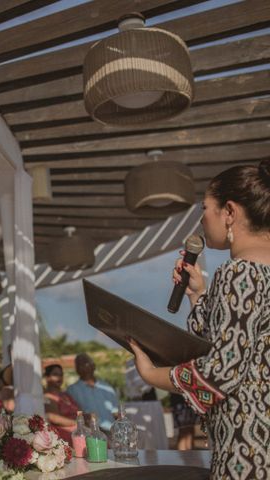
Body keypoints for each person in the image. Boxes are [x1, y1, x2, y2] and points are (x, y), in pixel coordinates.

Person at [129, 159, 270, 479]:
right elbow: (239, 347)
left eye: (205, 208)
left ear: (230, 212)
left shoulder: (239, 272)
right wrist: (199, 296)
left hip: (248, 454)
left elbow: (219, 372)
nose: (202, 219)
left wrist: (152, 374)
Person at [65, 353, 118, 432]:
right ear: (76, 369)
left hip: (112, 431)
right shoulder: (71, 390)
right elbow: (72, 415)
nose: (83, 367)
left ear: (93, 366)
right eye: (79, 365)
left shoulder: (107, 387)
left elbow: (116, 413)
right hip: (89, 433)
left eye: (86, 363)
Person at [43, 364, 79, 444]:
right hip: (65, 434)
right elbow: (53, 418)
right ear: (47, 377)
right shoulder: (48, 396)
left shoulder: (66, 395)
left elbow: (79, 412)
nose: (59, 377)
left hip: (78, 430)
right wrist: (78, 423)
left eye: (61, 375)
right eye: (55, 374)